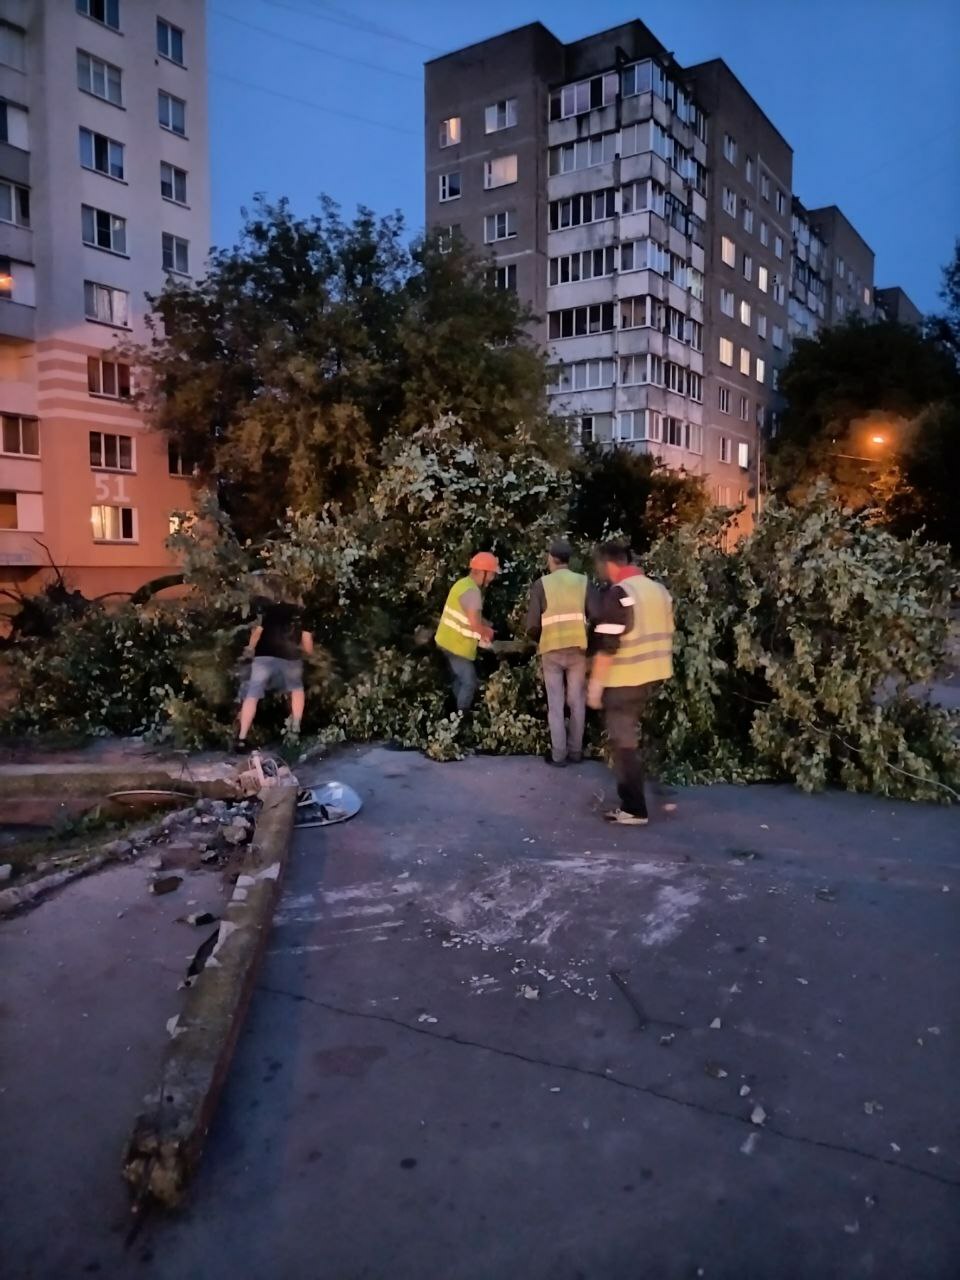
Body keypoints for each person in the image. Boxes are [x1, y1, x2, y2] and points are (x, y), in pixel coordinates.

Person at [587, 542, 675, 825]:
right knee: (631, 737)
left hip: (624, 678)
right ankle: (638, 799)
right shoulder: (658, 591)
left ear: (611, 565)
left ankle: (634, 808)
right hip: (653, 673)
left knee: (623, 743)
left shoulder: (620, 594)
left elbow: (608, 645)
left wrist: (595, 686)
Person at [525, 539, 588, 767]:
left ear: (551, 558)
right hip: (578, 650)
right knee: (577, 701)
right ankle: (576, 752)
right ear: (568, 560)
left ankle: (559, 755)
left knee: (556, 703)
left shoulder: (542, 584)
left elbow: (532, 625)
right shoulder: (582, 582)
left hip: (551, 650)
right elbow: (596, 613)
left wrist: (538, 639)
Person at [235, 590, 314, 751]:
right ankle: (294, 730)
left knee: (252, 694)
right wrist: (310, 656)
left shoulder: (271, 610)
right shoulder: (303, 614)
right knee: (297, 689)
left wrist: (250, 648)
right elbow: (307, 643)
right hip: (290, 657)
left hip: (263, 656)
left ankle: (241, 738)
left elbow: (257, 633)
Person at [434, 552, 499, 711]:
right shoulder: (473, 593)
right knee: (469, 682)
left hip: (447, 642)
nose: (492, 578)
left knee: (458, 682)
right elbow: (474, 624)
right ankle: (461, 719)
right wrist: (487, 633)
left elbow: (470, 614)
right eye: (491, 574)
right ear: (483, 572)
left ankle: (452, 716)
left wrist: (487, 624)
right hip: (456, 646)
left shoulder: (463, 584)